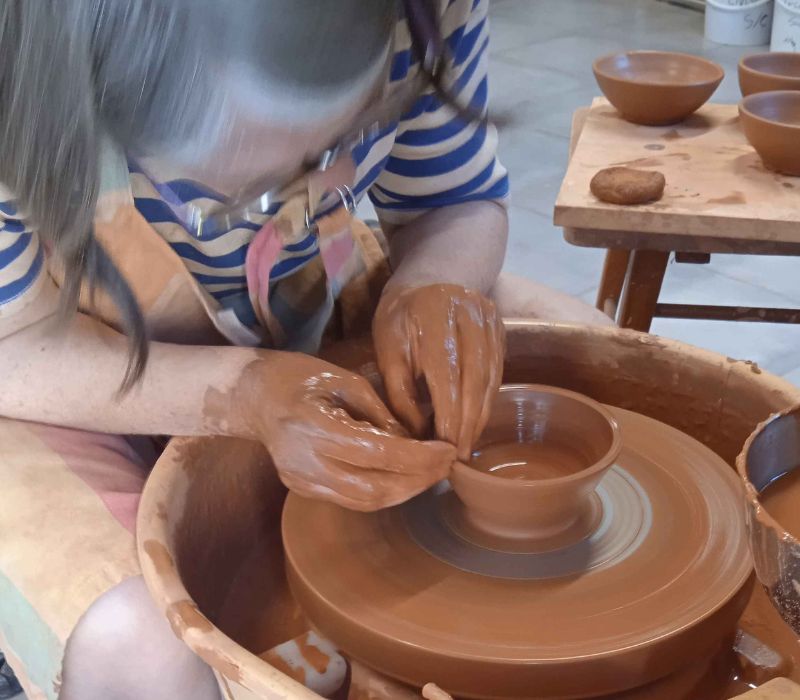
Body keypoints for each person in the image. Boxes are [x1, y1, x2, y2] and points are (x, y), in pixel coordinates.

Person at [0, 1, 610, 698]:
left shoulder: (429, 11)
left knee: (585, 341)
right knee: (140, 641)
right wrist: (247, 392)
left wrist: (434, 286)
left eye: (339, 143)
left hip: (299, 292)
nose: (312, 185)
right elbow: (11, 350)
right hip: (57, 364)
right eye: (243, 190)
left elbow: (452, 197)